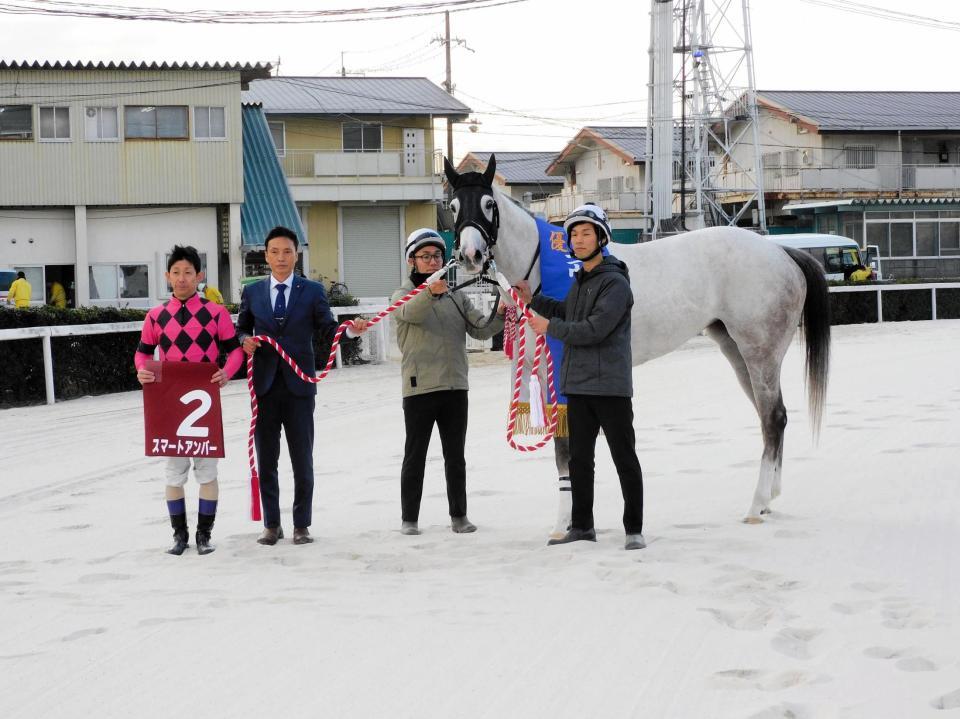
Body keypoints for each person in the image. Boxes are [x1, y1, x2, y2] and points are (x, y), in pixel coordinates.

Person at [516, 204, 645, 551]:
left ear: (602, 237)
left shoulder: (615, 282)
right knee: (580, 459)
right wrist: (534, 300)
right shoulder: (582, 280)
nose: (579, 238)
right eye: (574, 233)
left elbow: (594, 329)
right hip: (577, 384)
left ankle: (634, 529)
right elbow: (565, 312)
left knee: (624, 457)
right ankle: (583, 526)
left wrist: (549, 326)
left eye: (586, 232)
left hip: (610, 387)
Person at [388, 228, 505, 536]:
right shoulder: (402, 295)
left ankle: (459, 516)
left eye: (437, 255)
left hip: (455, 386)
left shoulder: (456, 296)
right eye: (425, 256)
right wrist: (431, 291)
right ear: (411, 261)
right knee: (415, 455)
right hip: (419, 388)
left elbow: (480, 329)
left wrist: (501, 313)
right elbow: (411, 313)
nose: (432, 261)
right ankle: (409, 519)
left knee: (456, 457)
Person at [134, 245, 244, 555]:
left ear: (200, 276)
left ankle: (204, 535)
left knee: (207, 472)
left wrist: (226, 372)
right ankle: (179, 536)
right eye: (177, 273)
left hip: (204, 402)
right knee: (174, 473)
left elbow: (234, 350)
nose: (182, 279)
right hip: (169, 403)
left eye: (189, 273)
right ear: (167, 276)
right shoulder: (156, 316)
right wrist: (142, 371)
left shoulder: (215, 312)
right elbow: (142, 353)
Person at [237, 226, 338, 546]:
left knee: (301, 458)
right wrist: (244, 341)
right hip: (264, 387)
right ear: (265, 255)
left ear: (297, 254)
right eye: (275, 252)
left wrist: (350, 331)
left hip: (300, 386)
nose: (281, 258)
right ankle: (271, 524)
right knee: (267, 459)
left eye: (287, 252)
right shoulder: (252, 292)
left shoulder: (312, 291)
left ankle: (301, 524)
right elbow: (240, 328)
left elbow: (328, 329)